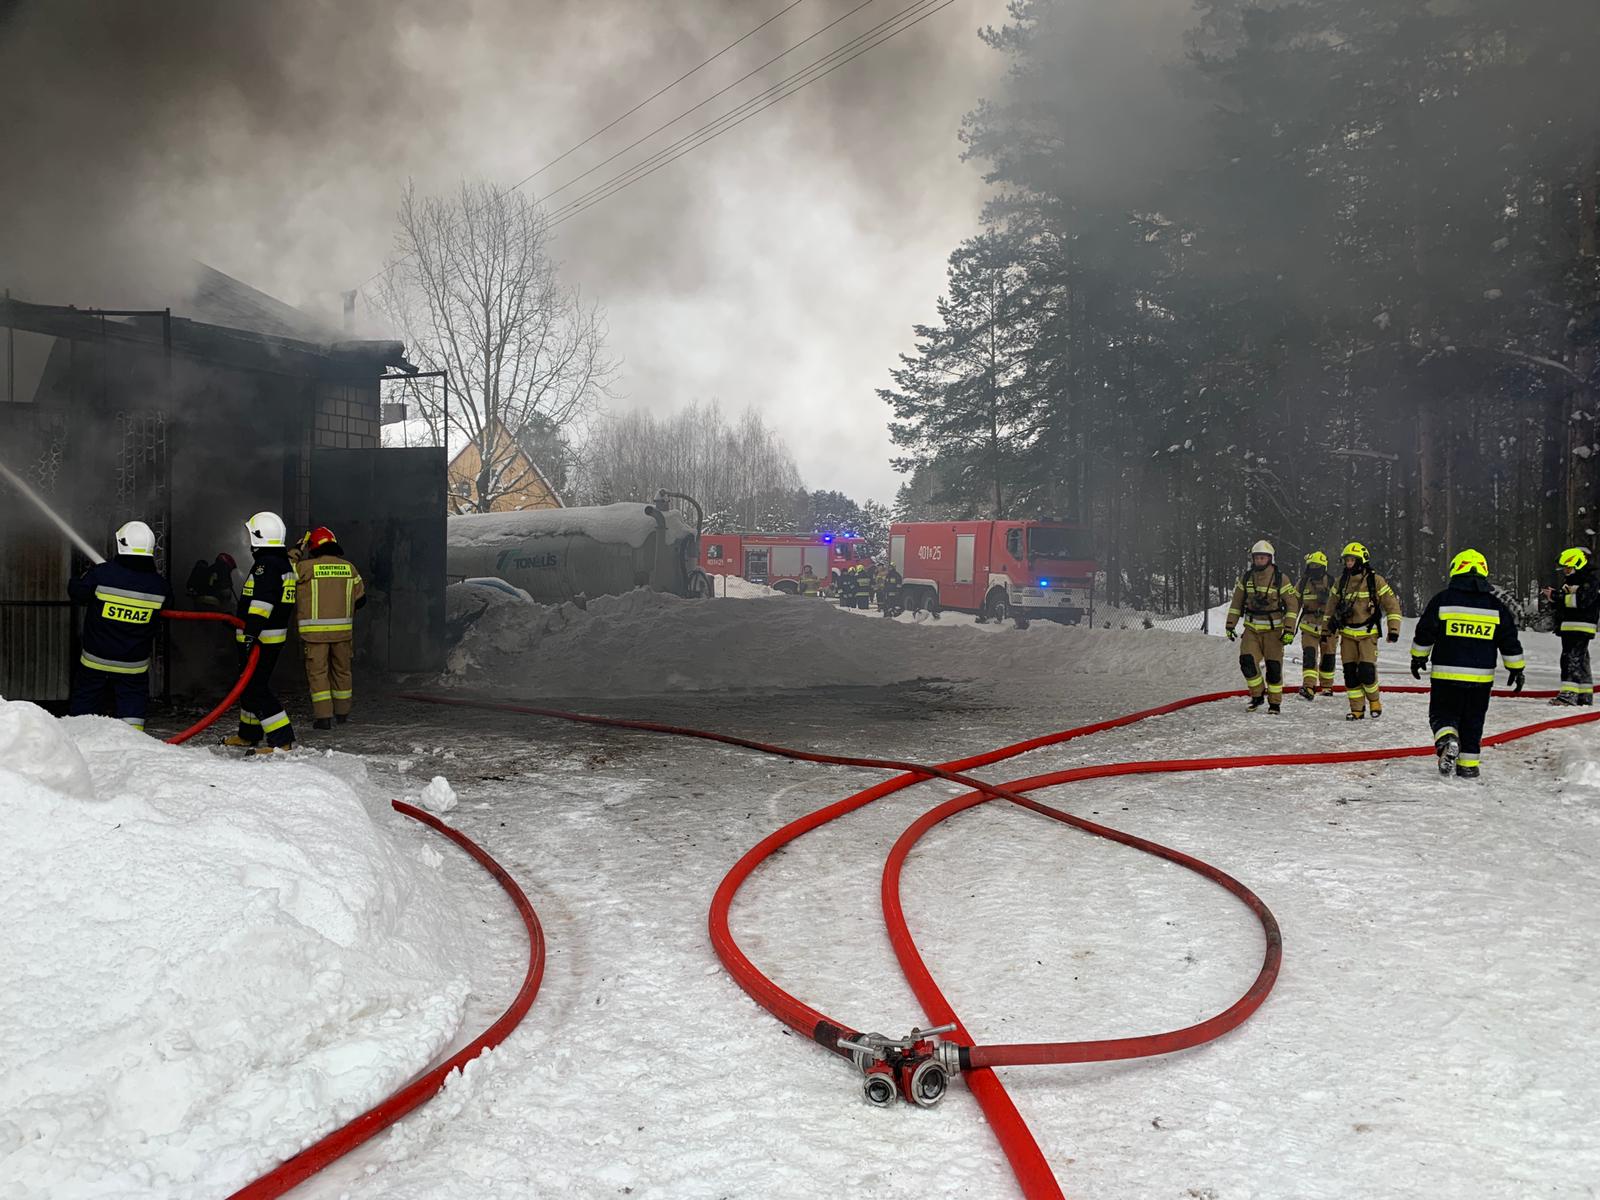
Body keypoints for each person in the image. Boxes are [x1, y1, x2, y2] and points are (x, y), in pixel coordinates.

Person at [1410, 549, 1526, 779]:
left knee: (1443, 713)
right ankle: (1469, 766)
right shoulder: (1495, 605)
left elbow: (1425, 632)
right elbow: (1509, 639)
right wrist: (1516, 668)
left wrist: (1418, 657)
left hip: (1447, 675)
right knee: (1473, 720)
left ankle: (1447, 739)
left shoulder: (1443, 600)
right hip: (1481, 679)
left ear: (1456, 569)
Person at [65, 520, 174, 732]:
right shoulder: (160, 586)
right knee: (133, 706)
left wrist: (79, 579)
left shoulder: (102, 574)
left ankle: (79, 738)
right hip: (133, 664)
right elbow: (168, 607)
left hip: (95, 659)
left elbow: (77, 592)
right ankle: (133, 741)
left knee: (86, 700)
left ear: (122, 544)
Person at [222, 511, 298, 754]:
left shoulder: (267, 565)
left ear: (259, 536)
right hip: (267, 636)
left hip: (261, 639)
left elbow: (263, 602)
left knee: (256, 688)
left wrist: (251, 632)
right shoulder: (281, 563)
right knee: (248, 686)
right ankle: (249, 734)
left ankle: (282, 740)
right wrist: (240, 623)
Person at [295, 525, 366, 730]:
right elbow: (361, 600)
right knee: (342, 672)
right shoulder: (349, 568)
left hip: (314, 635)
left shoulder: (304, 568)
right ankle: (342, 713)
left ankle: (323, 718)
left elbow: (283, 576)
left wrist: (295, 551)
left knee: (318, 674)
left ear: (313, 547)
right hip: (342, 633)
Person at [1325, 541, 1402, 721]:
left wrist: (1393, 629)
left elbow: (1392, 606)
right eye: (1347, 560)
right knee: (1350, 674)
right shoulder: (1341, 582)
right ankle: (1357, 709)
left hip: (1368, 634)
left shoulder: (1375, 581)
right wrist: (1325, 630)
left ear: (1361, 561)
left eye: (1352, 560)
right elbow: (1330, 607)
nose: (1349, 563)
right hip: (1347, 634)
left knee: (1367, 671)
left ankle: (1374, 701)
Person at [1224, 539, 1300, 713]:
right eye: (1256, 557)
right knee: (1247, 662)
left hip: (1274, 633)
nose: (1259, 561)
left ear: (1270, 558)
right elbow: (1236, 603)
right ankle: (1257, 695)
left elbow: (1292, 606)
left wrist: (1289, 630)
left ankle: (1274, 703)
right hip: (1252, 631)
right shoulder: (1246, 578)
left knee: (1273, 668)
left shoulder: (1280, 579)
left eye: (1263, 558)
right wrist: (1230, 625)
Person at [1541, 547, 1597, 706]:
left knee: (1570, 659)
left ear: (1577, 564)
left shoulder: (1588, 581)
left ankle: (1568, 695)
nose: (1565, 571)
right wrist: (1553, 599)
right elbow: (1566, 603)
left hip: (1580, 626)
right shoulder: (1571, 581)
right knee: (1581, 661)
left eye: (1568, 568)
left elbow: (1581, 601)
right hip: (1571, 626)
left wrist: (1557, 596)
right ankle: (1584, 696)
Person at [1295, 550, 1336, 701]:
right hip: (1308, 625)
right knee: (1309, 655)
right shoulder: (1303, 583)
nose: (1313, 569)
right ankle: (1309, 687)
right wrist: (1288, 625)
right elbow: (1294, 604)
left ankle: (1327, 687)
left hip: (1328, 627)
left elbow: (1340, 604)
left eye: (1316, 566)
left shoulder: (1332, 582)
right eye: (1311, 566)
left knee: (1328, 656)